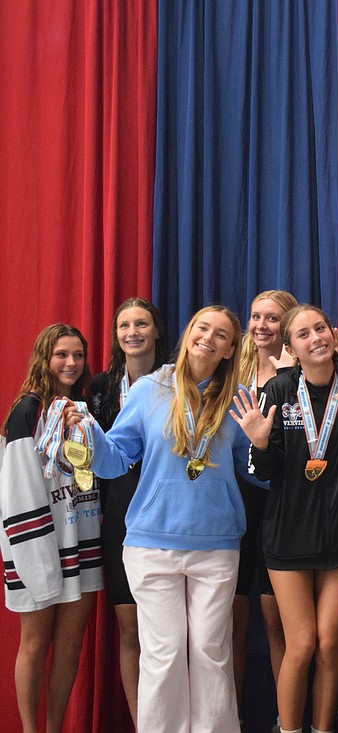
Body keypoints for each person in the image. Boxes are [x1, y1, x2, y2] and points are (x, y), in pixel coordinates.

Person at [73, 305, 264, 732]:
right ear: (187, 334)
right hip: (150, 545)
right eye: (202, 328)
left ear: (232, 348)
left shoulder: (238, 398)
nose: (208, 338)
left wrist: (264, 447)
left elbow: (258, 475)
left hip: (216, 546)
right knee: (164, 653)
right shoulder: (149, 388)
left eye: (221, 334)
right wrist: (88, 436)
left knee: (210, 651)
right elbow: (115, 459)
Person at [233, 304, 338, 733]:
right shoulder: (280, 391)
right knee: (300, 645)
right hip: (288, 536)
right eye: (303, 334)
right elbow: (261, 471)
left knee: (330, 644)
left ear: (333, 334)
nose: (315, 337)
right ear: (291, 348)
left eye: (320, 328)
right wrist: (262, 445)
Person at [1, 324, 102, 733]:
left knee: (71, 643)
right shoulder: (28, 409)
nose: (72, 363)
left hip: (82, 535)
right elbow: (19, 489)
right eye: (62, 354)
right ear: (45, 357)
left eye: (78, 355)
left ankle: (55, 726)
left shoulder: (86, 405)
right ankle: (30, 729)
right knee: (36, 643)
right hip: (39, 541)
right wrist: (34, 552)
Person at [88, 298, 169, 725]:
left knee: (172, 634)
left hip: (167, 512)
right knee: (130, 628)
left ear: (157, 330)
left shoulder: (177, 380)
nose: (133, 332)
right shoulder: (100, 387)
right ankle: (143, 723)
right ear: (116, 335)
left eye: (141, 323)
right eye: (124, 325)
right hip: (118, 514)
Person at [237, 289, 299, 726]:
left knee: (277, 620)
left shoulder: (299, 371)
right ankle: (232, 716)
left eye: (272, 318)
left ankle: (286, 718)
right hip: (236, 505)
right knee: (233, 621)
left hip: (283, 502)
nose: (261, 325)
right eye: (256, 316)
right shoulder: (232, 370)